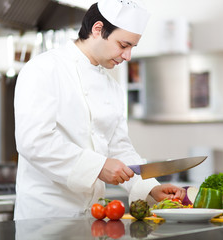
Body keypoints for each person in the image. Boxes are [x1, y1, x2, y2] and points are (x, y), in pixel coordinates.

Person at [13, 0, 186, 220]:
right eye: (123, 45)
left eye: (132, 47)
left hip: (94, 217)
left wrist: (150, 187)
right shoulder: (43, 69)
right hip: (45, 217)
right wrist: (98, 167)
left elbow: (119, 148)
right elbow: (34, 142)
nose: (127, 56)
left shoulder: (113, 87)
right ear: (97, 30)